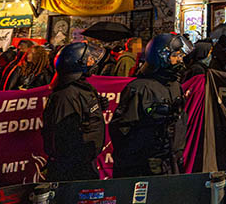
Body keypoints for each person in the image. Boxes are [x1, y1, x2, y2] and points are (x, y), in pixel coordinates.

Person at [109, 33, 190, 178]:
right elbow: (121, 131)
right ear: (162, 56)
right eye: (176, 55)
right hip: (143, 168)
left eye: (181, 56)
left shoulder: (174, 85)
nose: (180, 60)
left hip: (169, 163)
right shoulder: (140, 88)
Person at [41, 41, 108, 182]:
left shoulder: (81, 89)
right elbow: (64, 136)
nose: (92, 61)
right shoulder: (67, 95)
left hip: (84, 162)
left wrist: (96, 107)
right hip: (73, 168)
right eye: (88, 59)